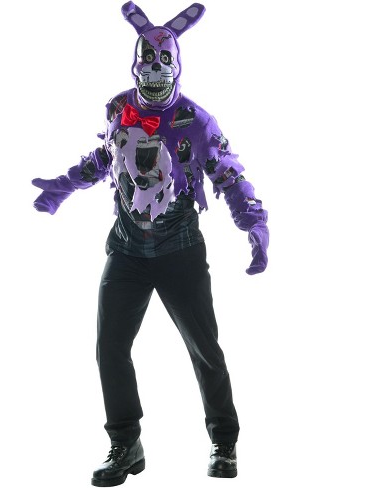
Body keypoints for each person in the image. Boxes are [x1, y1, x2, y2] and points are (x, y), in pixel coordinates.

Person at [32, 2, 269, 486]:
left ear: (177, 66)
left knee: (204, 349)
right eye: (147, 62)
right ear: (135, 65)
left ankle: (224, 441)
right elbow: (106, 157)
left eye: (164, 63)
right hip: (126, 251)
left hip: (180, 252)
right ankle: (126, 443)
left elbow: (227, 174)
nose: (155, 72)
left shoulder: (196, 122)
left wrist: (253, 222)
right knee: (110, 348)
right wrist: (63, 185)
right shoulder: (119, 109)